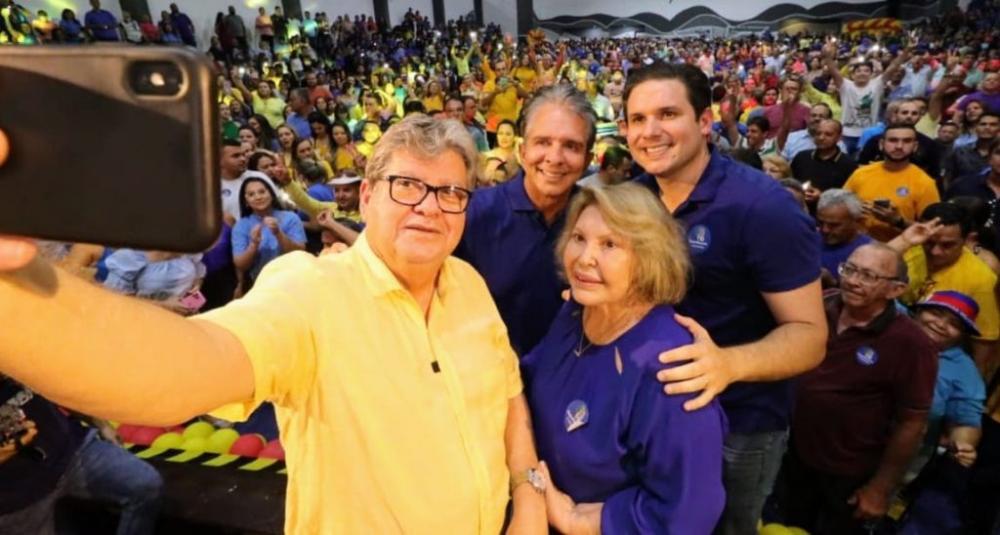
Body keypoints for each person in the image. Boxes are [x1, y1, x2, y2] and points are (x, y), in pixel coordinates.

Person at [0, 115, 545, 534]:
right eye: (408, 185)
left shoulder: (468, 284)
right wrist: (13, 301)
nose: (431, 206)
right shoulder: (311, 292)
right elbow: (181, 367)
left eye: (451, 192)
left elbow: (507, 392)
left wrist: (527, 495)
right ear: (369, 194)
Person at [623, 61, 827, 535]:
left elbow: (811, 336)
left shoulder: (763, 208)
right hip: (650, 413)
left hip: (740, 422)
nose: (649, 131)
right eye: (636, 119)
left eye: (667, 114)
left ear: (704, 121)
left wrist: (727, 365)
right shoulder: (632, 199)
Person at [525, 183, 726, 533]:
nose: (585, 257)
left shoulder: (671, 365)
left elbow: (690, 511)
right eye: (578, 238)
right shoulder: (576, 312)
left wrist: (578, 522)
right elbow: (532, 376)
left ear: (649, 258)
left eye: (610, 244)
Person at [776, 243, 937, 535]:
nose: (852, 280)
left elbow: (913, 421)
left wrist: (880, 488)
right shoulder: (823, 306)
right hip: (792, 458)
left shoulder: (911, 343)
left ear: (896, 290)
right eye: (849, 269)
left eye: (868, 276)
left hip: (850, 475)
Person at [456, 85, 597, 356]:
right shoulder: (473, 214)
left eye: (571, 146)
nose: (554, 158)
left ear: (588, 160)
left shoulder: (600, 219)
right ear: (522, 150)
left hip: (572, 381)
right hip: (492, 381)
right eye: (543, 142)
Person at [0, 376, 163, 535]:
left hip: (72, 448)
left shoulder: (13, 359)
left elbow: (56, 385)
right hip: (18, 497)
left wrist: (100, 423)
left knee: (145, 484)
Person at [895, 291, 985, 535]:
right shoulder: (891, 321)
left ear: (963, 336)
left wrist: (964, 445)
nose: (941, 325)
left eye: (955, 324)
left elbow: (966, 418)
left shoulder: (964, 372)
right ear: (919, 310)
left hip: (896, 459)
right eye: (936, 313)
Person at [887, 204, 1000, 374]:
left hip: (936, 360)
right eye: (929, 242)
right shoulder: (912, 247)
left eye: (947, 245)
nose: (935, 251)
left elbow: (984, 342)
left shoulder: (981, 280)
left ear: (966, 240)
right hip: (893, 339)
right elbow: (868, 264)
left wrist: (972, 385)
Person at [844, 124, 941, 241]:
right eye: (893, 140)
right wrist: (853, 211)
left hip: (900, 252)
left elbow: (932, 230)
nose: (899, 146)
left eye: (907, 141)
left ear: (915, 147)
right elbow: (839, 208)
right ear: (881, 144)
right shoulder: (860, 173)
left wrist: (897, 221)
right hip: (857, 246)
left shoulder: (925, 183)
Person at [232, 176, 306, 286]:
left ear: (271, 194)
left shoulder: (291, 218)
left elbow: (300, 252)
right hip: (260, 284)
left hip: (293, 280)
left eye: (262, 192)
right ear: (246, 201)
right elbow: (240, 265)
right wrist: (253, 244)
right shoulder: (241, 225)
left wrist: (278, 234)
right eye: (251, 194)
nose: (258, 197)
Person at [817, 189, 872, 286]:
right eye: (821, 223)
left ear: (857, 222)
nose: (825, 230)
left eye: (834, 225)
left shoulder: (871, 253)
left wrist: (832, 284)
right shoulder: (807, 240)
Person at [792, 119, 857, 200]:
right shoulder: (801, 157)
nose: (821, 137)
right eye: (818, 133)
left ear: (839, 137)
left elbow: (850, 198)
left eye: (828, 134)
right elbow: (790, 184)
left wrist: (822, 196)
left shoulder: (849, 165)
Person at [943, 112, 1000, 185]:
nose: (987, 127)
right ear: (976, 127)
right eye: (983, 124)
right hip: (962, 194)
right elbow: (947, 178)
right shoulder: (960, 151)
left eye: (993, 124)